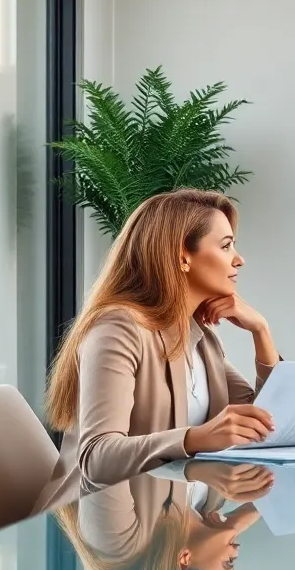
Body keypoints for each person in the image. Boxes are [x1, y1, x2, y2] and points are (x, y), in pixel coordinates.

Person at [32, 188, 281, 512]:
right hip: (107, 532)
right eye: (225, 245)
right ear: (182, 257)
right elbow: (97, 457)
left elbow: (267, 422)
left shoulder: (199, 337)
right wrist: (195, 438)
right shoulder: (117, 329)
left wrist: (261, 332)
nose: (239, 259)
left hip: (180, 527)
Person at [54, 474, 268, 570]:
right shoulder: (210, 499)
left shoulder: (124, 526)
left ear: (184, 560)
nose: (236, 550)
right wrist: (236, 521)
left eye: (229, 562)